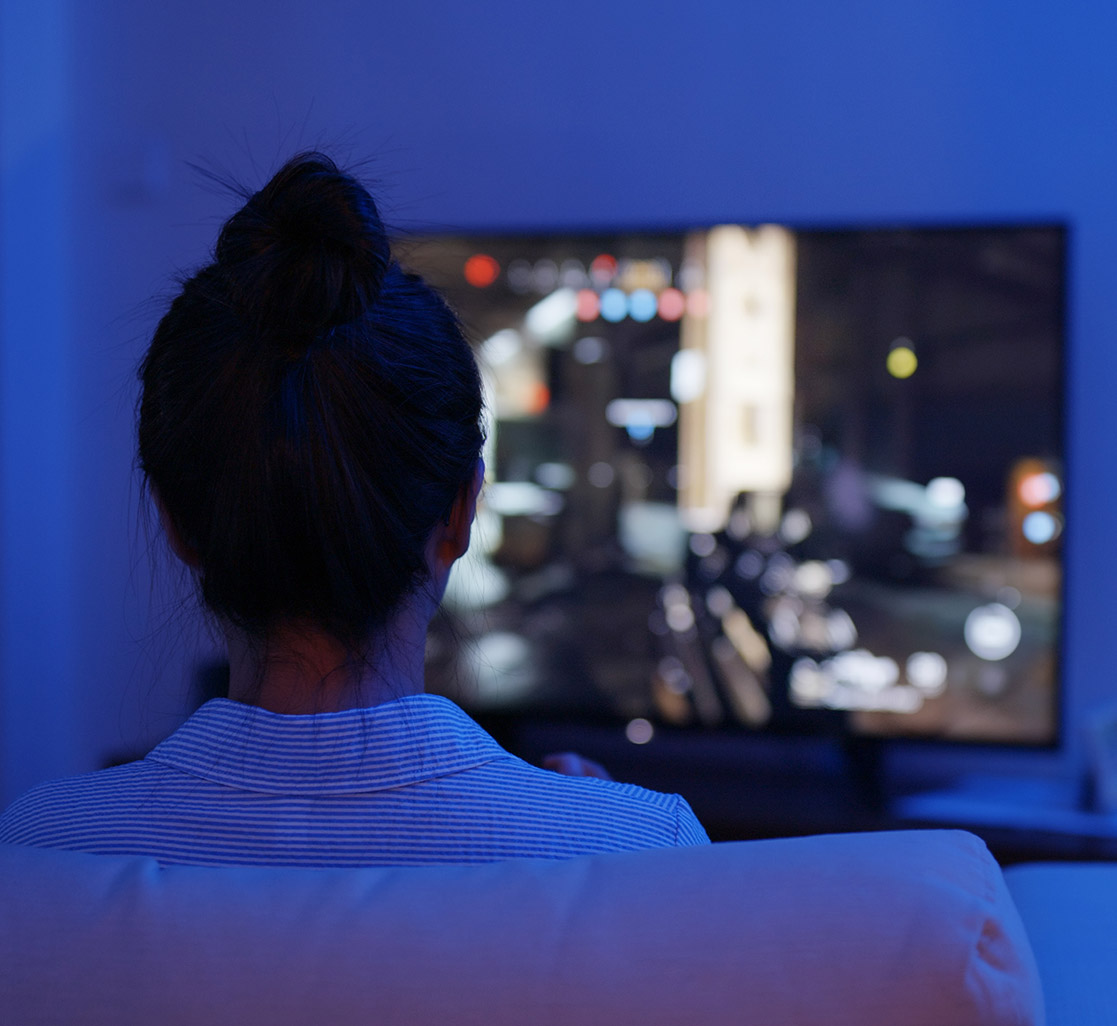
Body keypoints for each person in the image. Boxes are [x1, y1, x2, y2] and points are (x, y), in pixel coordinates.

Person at [0, 153, 709, 866]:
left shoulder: (35, 847)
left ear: (175, 521)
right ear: (461, 510)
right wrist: (604, 844)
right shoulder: (643, 852)